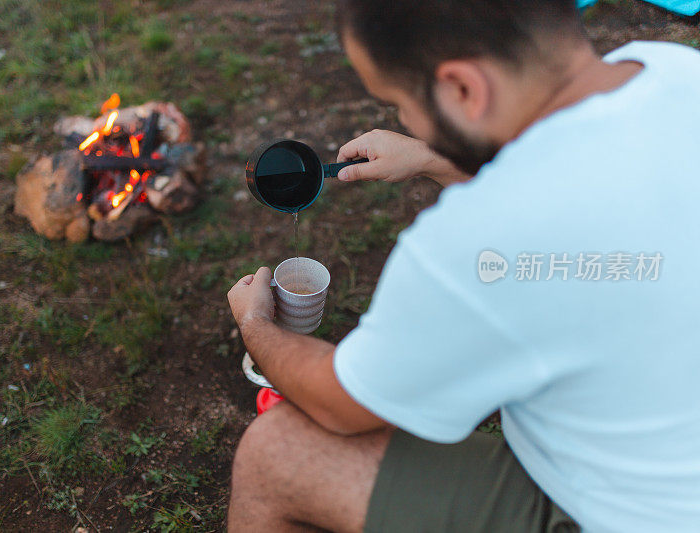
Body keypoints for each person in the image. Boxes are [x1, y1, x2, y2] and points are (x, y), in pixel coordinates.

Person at [226, 1, 700, 531]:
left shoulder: (473, 243)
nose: (405, 119)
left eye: (400, 101)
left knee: (276, 454)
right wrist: (433, 158)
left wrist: (256, 322)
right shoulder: (674, 71)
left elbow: (343, 404)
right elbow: (573, 188)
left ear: (463, 87)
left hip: (640, 517)